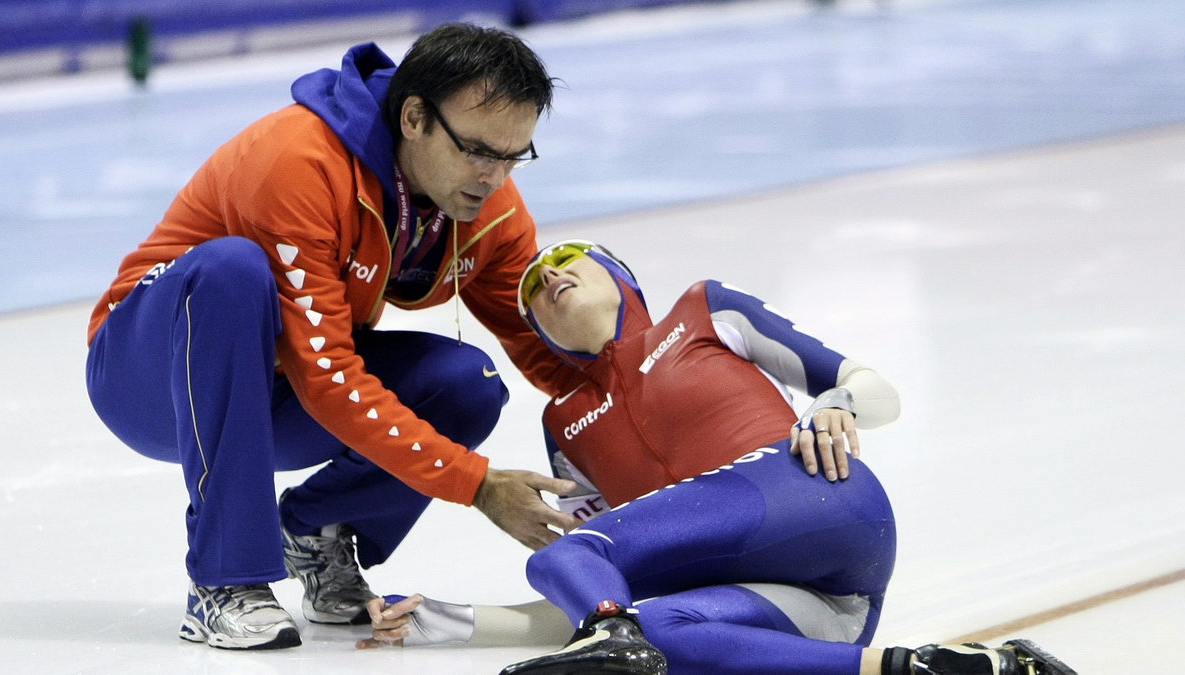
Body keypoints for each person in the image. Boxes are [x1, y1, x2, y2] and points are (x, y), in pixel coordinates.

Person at [356, 241, 1077, 675]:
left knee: (565, 557)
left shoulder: (700, 313)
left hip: (816, 493)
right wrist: (451, 621)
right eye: (532, 292)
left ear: (620, 274)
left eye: (566, 259)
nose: (547, 278)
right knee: (661, 634)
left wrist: (837, 405)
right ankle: (940, 666)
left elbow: (873, 387)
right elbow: (611, 602)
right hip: (835, 608)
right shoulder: (566, 423)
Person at [83, 24, 582, 651]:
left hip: (275, 388)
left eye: (514, 155)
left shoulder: (488, 208)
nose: (494, 177)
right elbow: (326, 373)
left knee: (466, 385)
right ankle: (225, 582)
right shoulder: (299, 161)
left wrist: (650, 437)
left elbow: (553, 353)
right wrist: (477, 485)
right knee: (232, 270)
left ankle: (319, 530)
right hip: (146, 377)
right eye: (479, 151)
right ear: (414, 117)